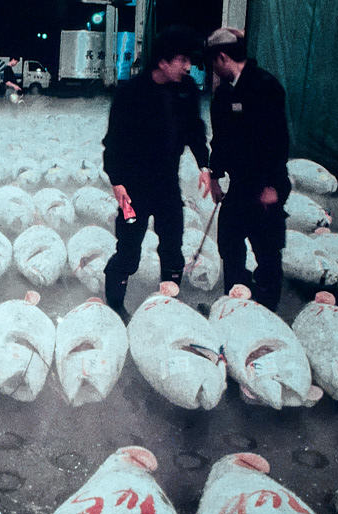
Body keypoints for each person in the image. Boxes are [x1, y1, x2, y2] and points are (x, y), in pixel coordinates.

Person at [101, 26, 211, 323]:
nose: (188, 66)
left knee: (173, 247)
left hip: (166, 185)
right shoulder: (130, 92)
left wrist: (205, 164)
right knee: (128, 252)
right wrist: (116, 181)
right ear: (162, 62)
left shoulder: (186, 90)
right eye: (182, 60)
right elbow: (114, 142)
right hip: (134, 187)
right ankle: (114, 310)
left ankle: (168, 306)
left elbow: (195, 131)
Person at [205, 27, 292, 311]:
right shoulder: (222, 96)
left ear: (222, 57)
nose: (213, 71)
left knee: (267, 250)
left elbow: (277, 141)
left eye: (212, 64)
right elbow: (220, 140)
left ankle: (267, 306)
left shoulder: (265, 86)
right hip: (241, 184)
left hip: (267, 185)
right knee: (229, 241)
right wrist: (215, 176)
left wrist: (272, 187)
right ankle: (236, 300)